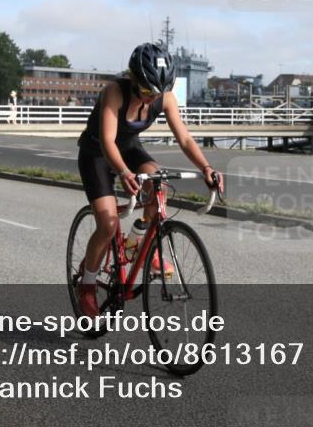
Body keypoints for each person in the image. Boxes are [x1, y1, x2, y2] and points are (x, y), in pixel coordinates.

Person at [75, 42, 223, 317]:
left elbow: (185, 138)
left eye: (157, 92)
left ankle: (138, 241)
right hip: (97, 152)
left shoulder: (163, 98)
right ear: (132, 78)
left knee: (158, 184)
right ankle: (87, 284)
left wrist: (206, 168)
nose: (150, 98)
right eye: (146, 91)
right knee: (107, 224)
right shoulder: (114, 92)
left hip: (129, 147)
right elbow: (108, 141)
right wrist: (123, 172)